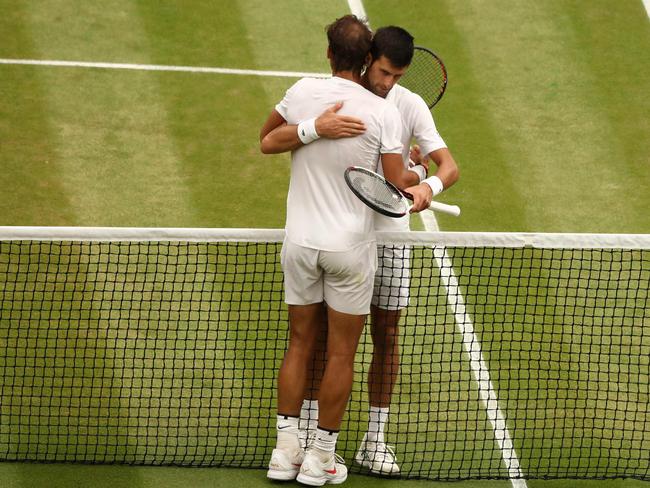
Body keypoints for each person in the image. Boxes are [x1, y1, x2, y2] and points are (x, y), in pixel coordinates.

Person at [262, 26, 459, 477]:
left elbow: (446, 166)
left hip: (384, 241)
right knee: (328, 346)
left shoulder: (404, 106)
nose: (389, 82)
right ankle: (315, 448)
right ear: (368, 58)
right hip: (350, 244)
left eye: (397, 75)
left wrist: (426, 181)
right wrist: (409, 173)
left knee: (383, 335)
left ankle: (372, 439)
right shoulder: (341, 100)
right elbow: (393, 177)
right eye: (385, 71)